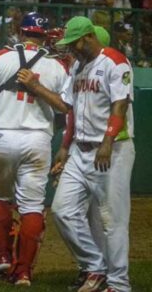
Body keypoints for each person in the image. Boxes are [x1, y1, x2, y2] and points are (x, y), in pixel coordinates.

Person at [0, 12, 69, 286]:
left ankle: (3, 257)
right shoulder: (57, 66)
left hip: (2, 135)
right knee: (32, 207)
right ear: (44, 35)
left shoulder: (0, 57)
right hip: (37, 139)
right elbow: (65, 107)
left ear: (20, 31)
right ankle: (24, 271)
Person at [49, 16, 135, 292]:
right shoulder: (77, 66)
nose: (71, 48)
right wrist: (64, 146)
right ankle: (95, 266)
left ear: (87, 37)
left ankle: (119, 284)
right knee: (62, 210)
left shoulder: (115, 61)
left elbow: (119, 106)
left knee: (112, 219)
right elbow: (71, 110)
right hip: (80, 149)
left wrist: (108, 141)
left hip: (111, 150)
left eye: (74, 42)